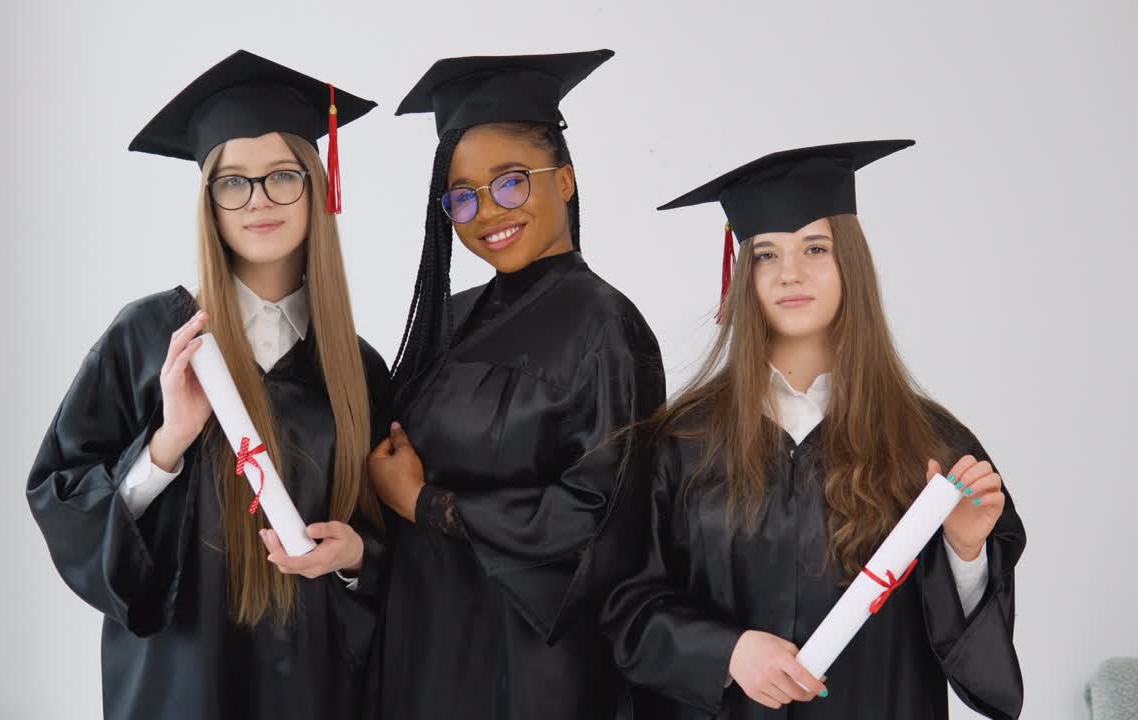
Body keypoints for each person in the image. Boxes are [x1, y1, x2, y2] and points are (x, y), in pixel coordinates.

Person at [601, 140, 1026, 719]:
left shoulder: (929, 443)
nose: (790, 273)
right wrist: (728, 652)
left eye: (815, 248)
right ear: (742, 275)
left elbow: (981, 666)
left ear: (851, 263)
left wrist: (964, 551)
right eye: (766, 254)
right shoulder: (683, 443)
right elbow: (628, 608)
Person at [26, 50, 389, 719]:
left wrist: (357, 554)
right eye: (233, 182)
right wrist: (168, 443)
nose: (259, 199)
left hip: (311, 689)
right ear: (210, 204)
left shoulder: (357, 370)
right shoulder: (149, 340)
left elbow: (389, 539)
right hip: (181, 684)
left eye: (282, 176)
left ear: (316, 186)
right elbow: (62, 498)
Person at [365, 49, 667, 719]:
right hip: (425, 645)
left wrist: (426, 504)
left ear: (565, 180)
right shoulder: (448, 318)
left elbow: (599, 518)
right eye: (462, 196)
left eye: (510, 182)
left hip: (527, 668)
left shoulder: (605, 326)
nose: (485, 211)